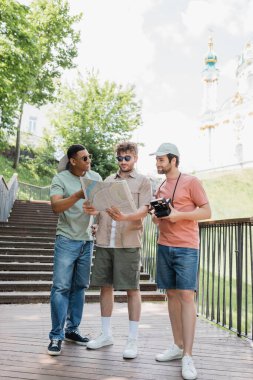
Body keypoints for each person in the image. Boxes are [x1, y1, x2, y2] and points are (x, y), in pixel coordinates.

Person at [83, 141, 152, 359]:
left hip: (128, 241)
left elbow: (145, 209)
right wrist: (94, 215)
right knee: (105, 287)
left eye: (127, 158)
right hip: (104, 240)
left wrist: (125, 217)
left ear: (135, 158)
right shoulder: (107, 181)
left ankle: (132, 340)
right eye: (120, 158)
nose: (123, 162)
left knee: (132, 289)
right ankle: (106, 335)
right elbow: (101, 207)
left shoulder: (143, 181)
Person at [149, 143, 211, 380]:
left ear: (174, 160)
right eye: (156, 160)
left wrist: (178, 215)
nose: (157, 163)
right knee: (172, 296)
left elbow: (206, 212)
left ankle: (188, 355)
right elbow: (161, 217)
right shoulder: (161, 186)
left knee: (186, 296)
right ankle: (176, 346)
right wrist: (157, 218)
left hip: (186, 247)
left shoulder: (191, 182)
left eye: (161, 160)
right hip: (164, 246)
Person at [47, 144, 102, 356]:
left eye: (89, 157)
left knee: (80, 286)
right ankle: (55, 335)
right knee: (61, 287)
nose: (89, 161)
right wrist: (78, 195)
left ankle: (72, 330)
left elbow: (102, 205)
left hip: (87, 241)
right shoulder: (60, 179)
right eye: (85, 158)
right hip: (67, 240)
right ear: (73, 161)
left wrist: (97, 217)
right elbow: (55, 207)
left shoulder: (95, 176)